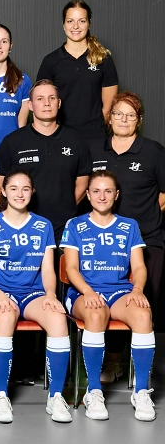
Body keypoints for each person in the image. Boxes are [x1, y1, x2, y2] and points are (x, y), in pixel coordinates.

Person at [0, 170, 72, 424]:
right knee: (5, 315)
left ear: (32, 192)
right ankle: (0, 396)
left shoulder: (43, 226)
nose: (19, 194)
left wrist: (51, 294)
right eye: (14, 188)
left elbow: (48, 270)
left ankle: (56, 396)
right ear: (3, 191)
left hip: (33, 293)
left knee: (58, 317)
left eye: (25, 189)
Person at [61, 170, 155, 421]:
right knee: (95, 314)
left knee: (143, 315)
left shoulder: (129, 225)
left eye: (107, 191)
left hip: (120, 290)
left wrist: (137, 290)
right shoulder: (75, 225)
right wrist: (88, 291)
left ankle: (141, 391)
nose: (101, 196)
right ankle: (93, 391)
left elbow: (139, 267)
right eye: (96, 191)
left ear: (116, 195)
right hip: (85, 290)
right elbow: (71, 268)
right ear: (88, 195)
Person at [87, 91, 165, 333]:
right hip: (102, 243)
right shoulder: (93, 150)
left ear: (138, 121)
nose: (123, 119)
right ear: (109, 118)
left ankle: (142, 354)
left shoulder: (154, 151)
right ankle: (109, 354)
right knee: (100, 307)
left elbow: (164, 195)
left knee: (145, 307)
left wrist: (145, 216)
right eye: (118, 113)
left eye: (131, 115)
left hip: (147, 239)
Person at [0, 79, 91, 241]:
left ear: (59, 103)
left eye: (52, 98)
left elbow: (82, 184)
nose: (47, 103)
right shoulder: (12, 142)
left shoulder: (76, 141)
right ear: (30, 105)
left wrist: (65, 210)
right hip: (23, 229)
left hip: (64, 230)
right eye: (40, 99)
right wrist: (16, 216)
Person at [37, 0, 118, 140]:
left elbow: (109, 106)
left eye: (81, 21)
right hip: (59, 137)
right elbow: (41, 103)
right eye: (70, 21)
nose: (75, 26)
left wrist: (95, 130)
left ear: (89, 23)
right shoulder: (51, 61)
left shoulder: (103, 59)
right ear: (63, 24)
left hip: (94, 138)